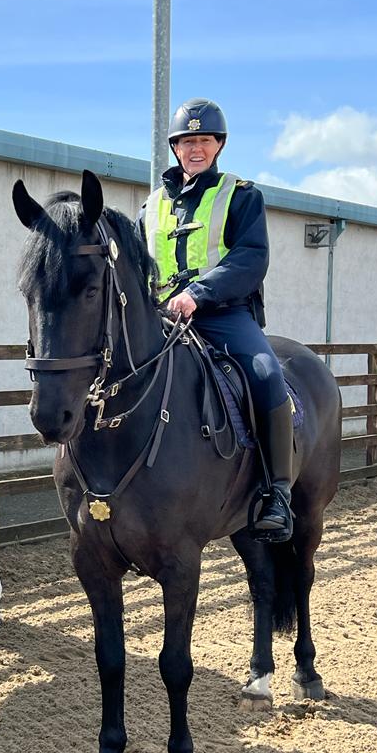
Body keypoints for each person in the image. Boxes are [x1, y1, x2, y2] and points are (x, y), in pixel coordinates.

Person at [139, 98, 293, 541]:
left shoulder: (241, 196)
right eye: (187, 142)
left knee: (266, 373)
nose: (196, 149)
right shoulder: (150, 207)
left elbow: (251, 257)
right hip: (163, 318)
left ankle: (277, 492)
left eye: (204, 140)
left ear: (219, 145)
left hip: (224, 315)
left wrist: (198, 293)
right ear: (175, 148)